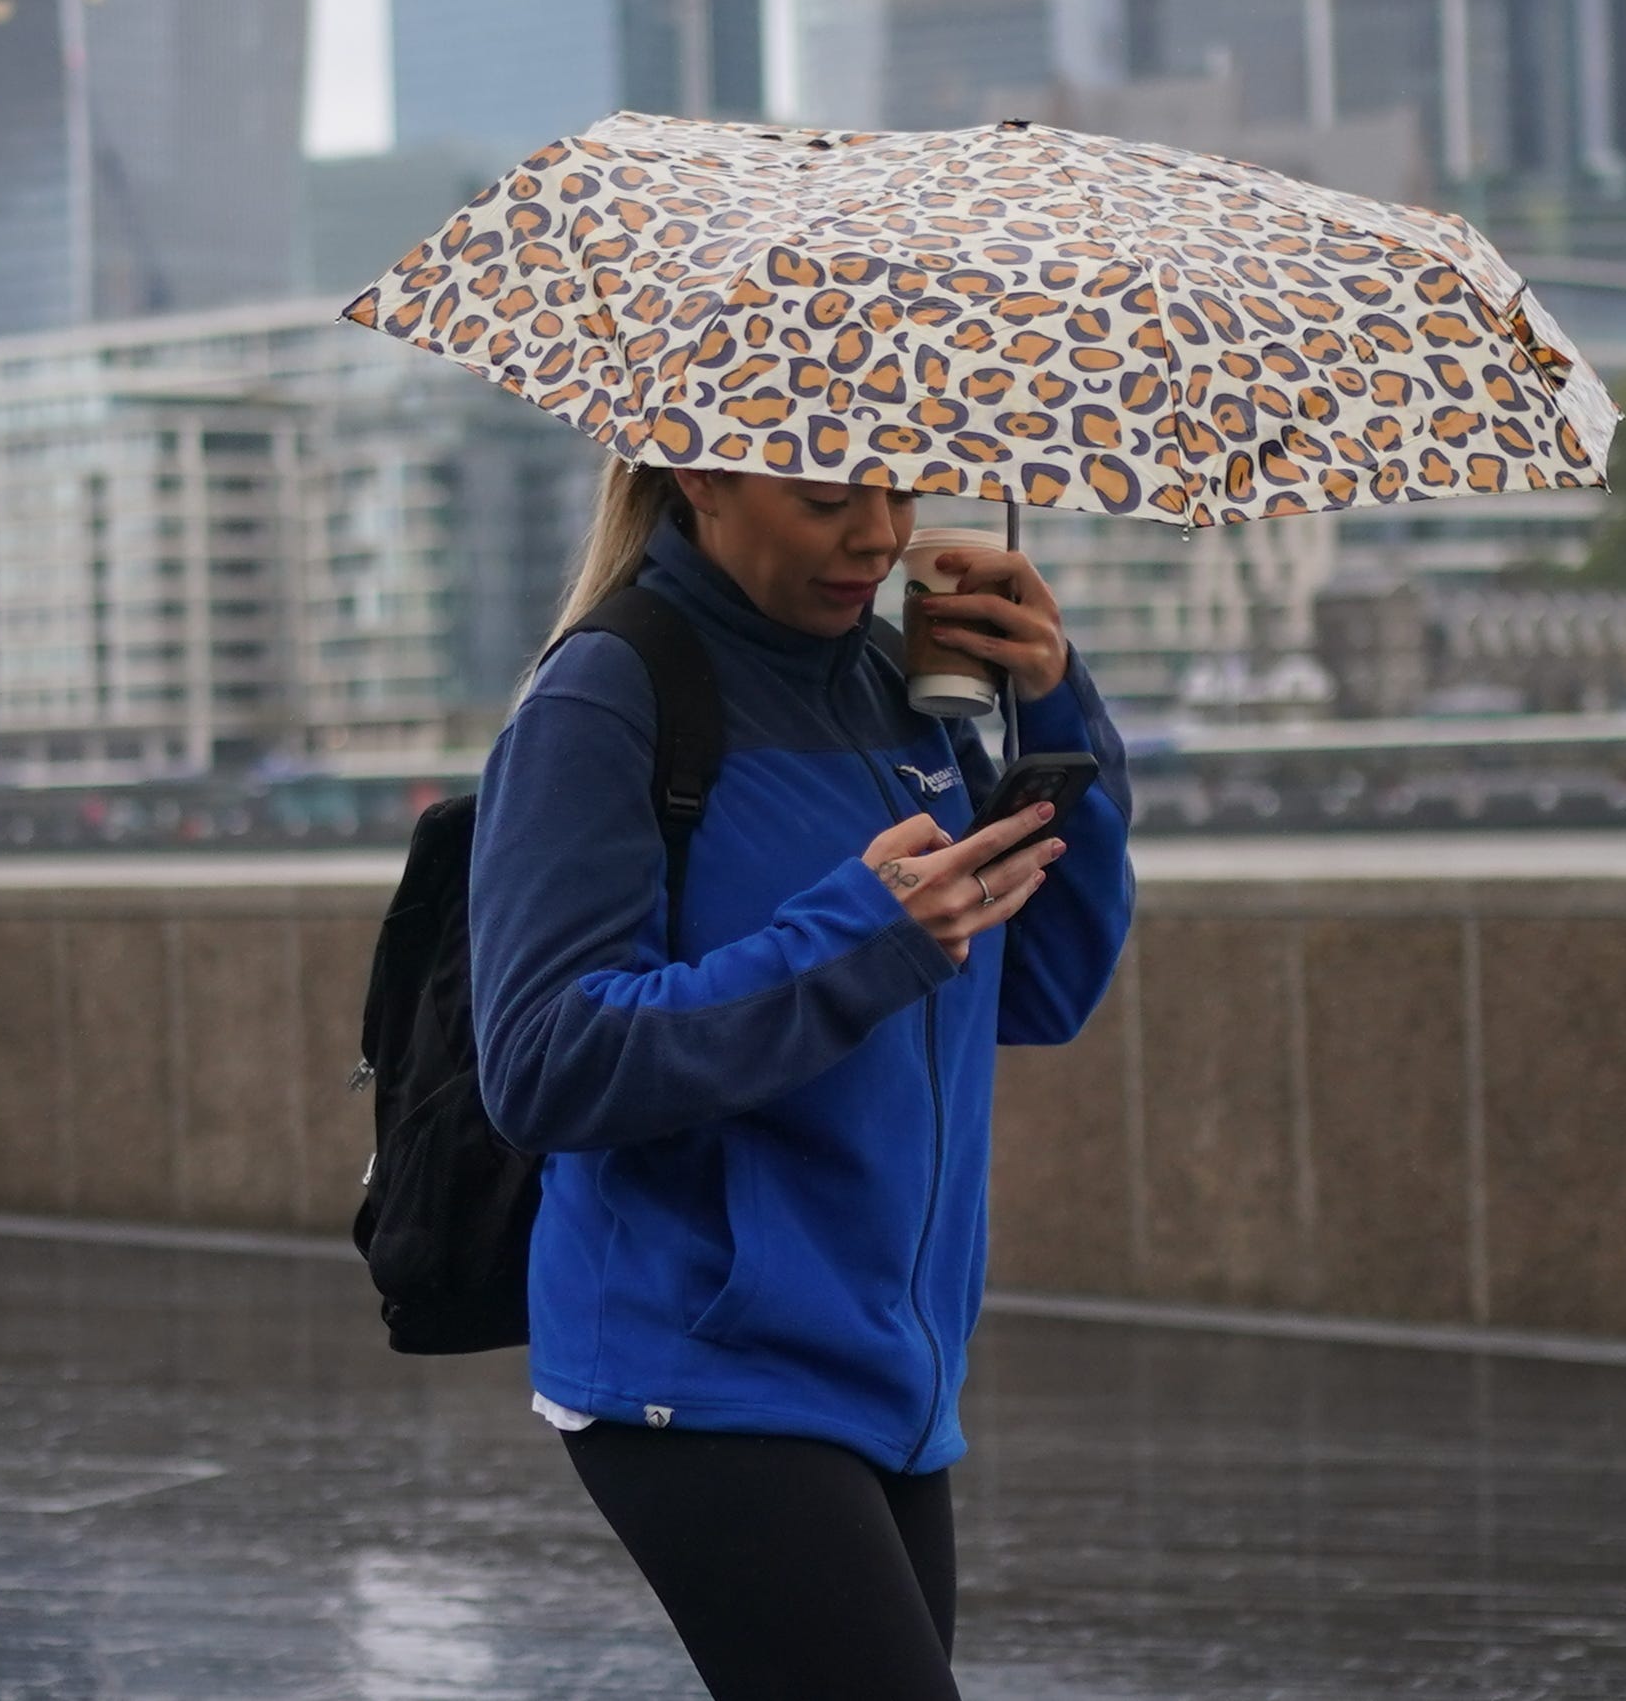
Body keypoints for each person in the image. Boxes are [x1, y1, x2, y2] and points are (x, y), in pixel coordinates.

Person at [467, 458, 1135, 1700]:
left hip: (891, 1365)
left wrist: (1048, 709)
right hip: (703, 1366)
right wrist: (859, 936)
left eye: (900, 493)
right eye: (828, 500)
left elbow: (1035, 991)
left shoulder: (903, 688)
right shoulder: (607, 693)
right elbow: (544, 1060)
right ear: (697, 480)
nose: (877, 538)